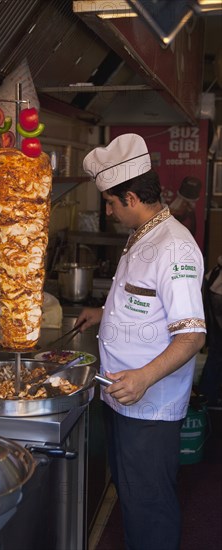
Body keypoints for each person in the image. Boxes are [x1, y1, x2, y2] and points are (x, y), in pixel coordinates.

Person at [76, 134, 206, 550]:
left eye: (112, 204)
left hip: (148, 406)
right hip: (123, 396)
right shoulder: (142, 234)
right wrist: (104, 314)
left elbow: (191, 336)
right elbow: (143, 300)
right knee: (132, 496)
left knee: (149, 502)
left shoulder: (175, 247)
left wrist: (144, 377)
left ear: (131, 197)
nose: (110, 212)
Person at [198, 256, 222, 407]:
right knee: (217, 351)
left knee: (216, 351)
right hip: (218, 291)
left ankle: (208, 395)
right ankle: (208, 396)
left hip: (215, 286)